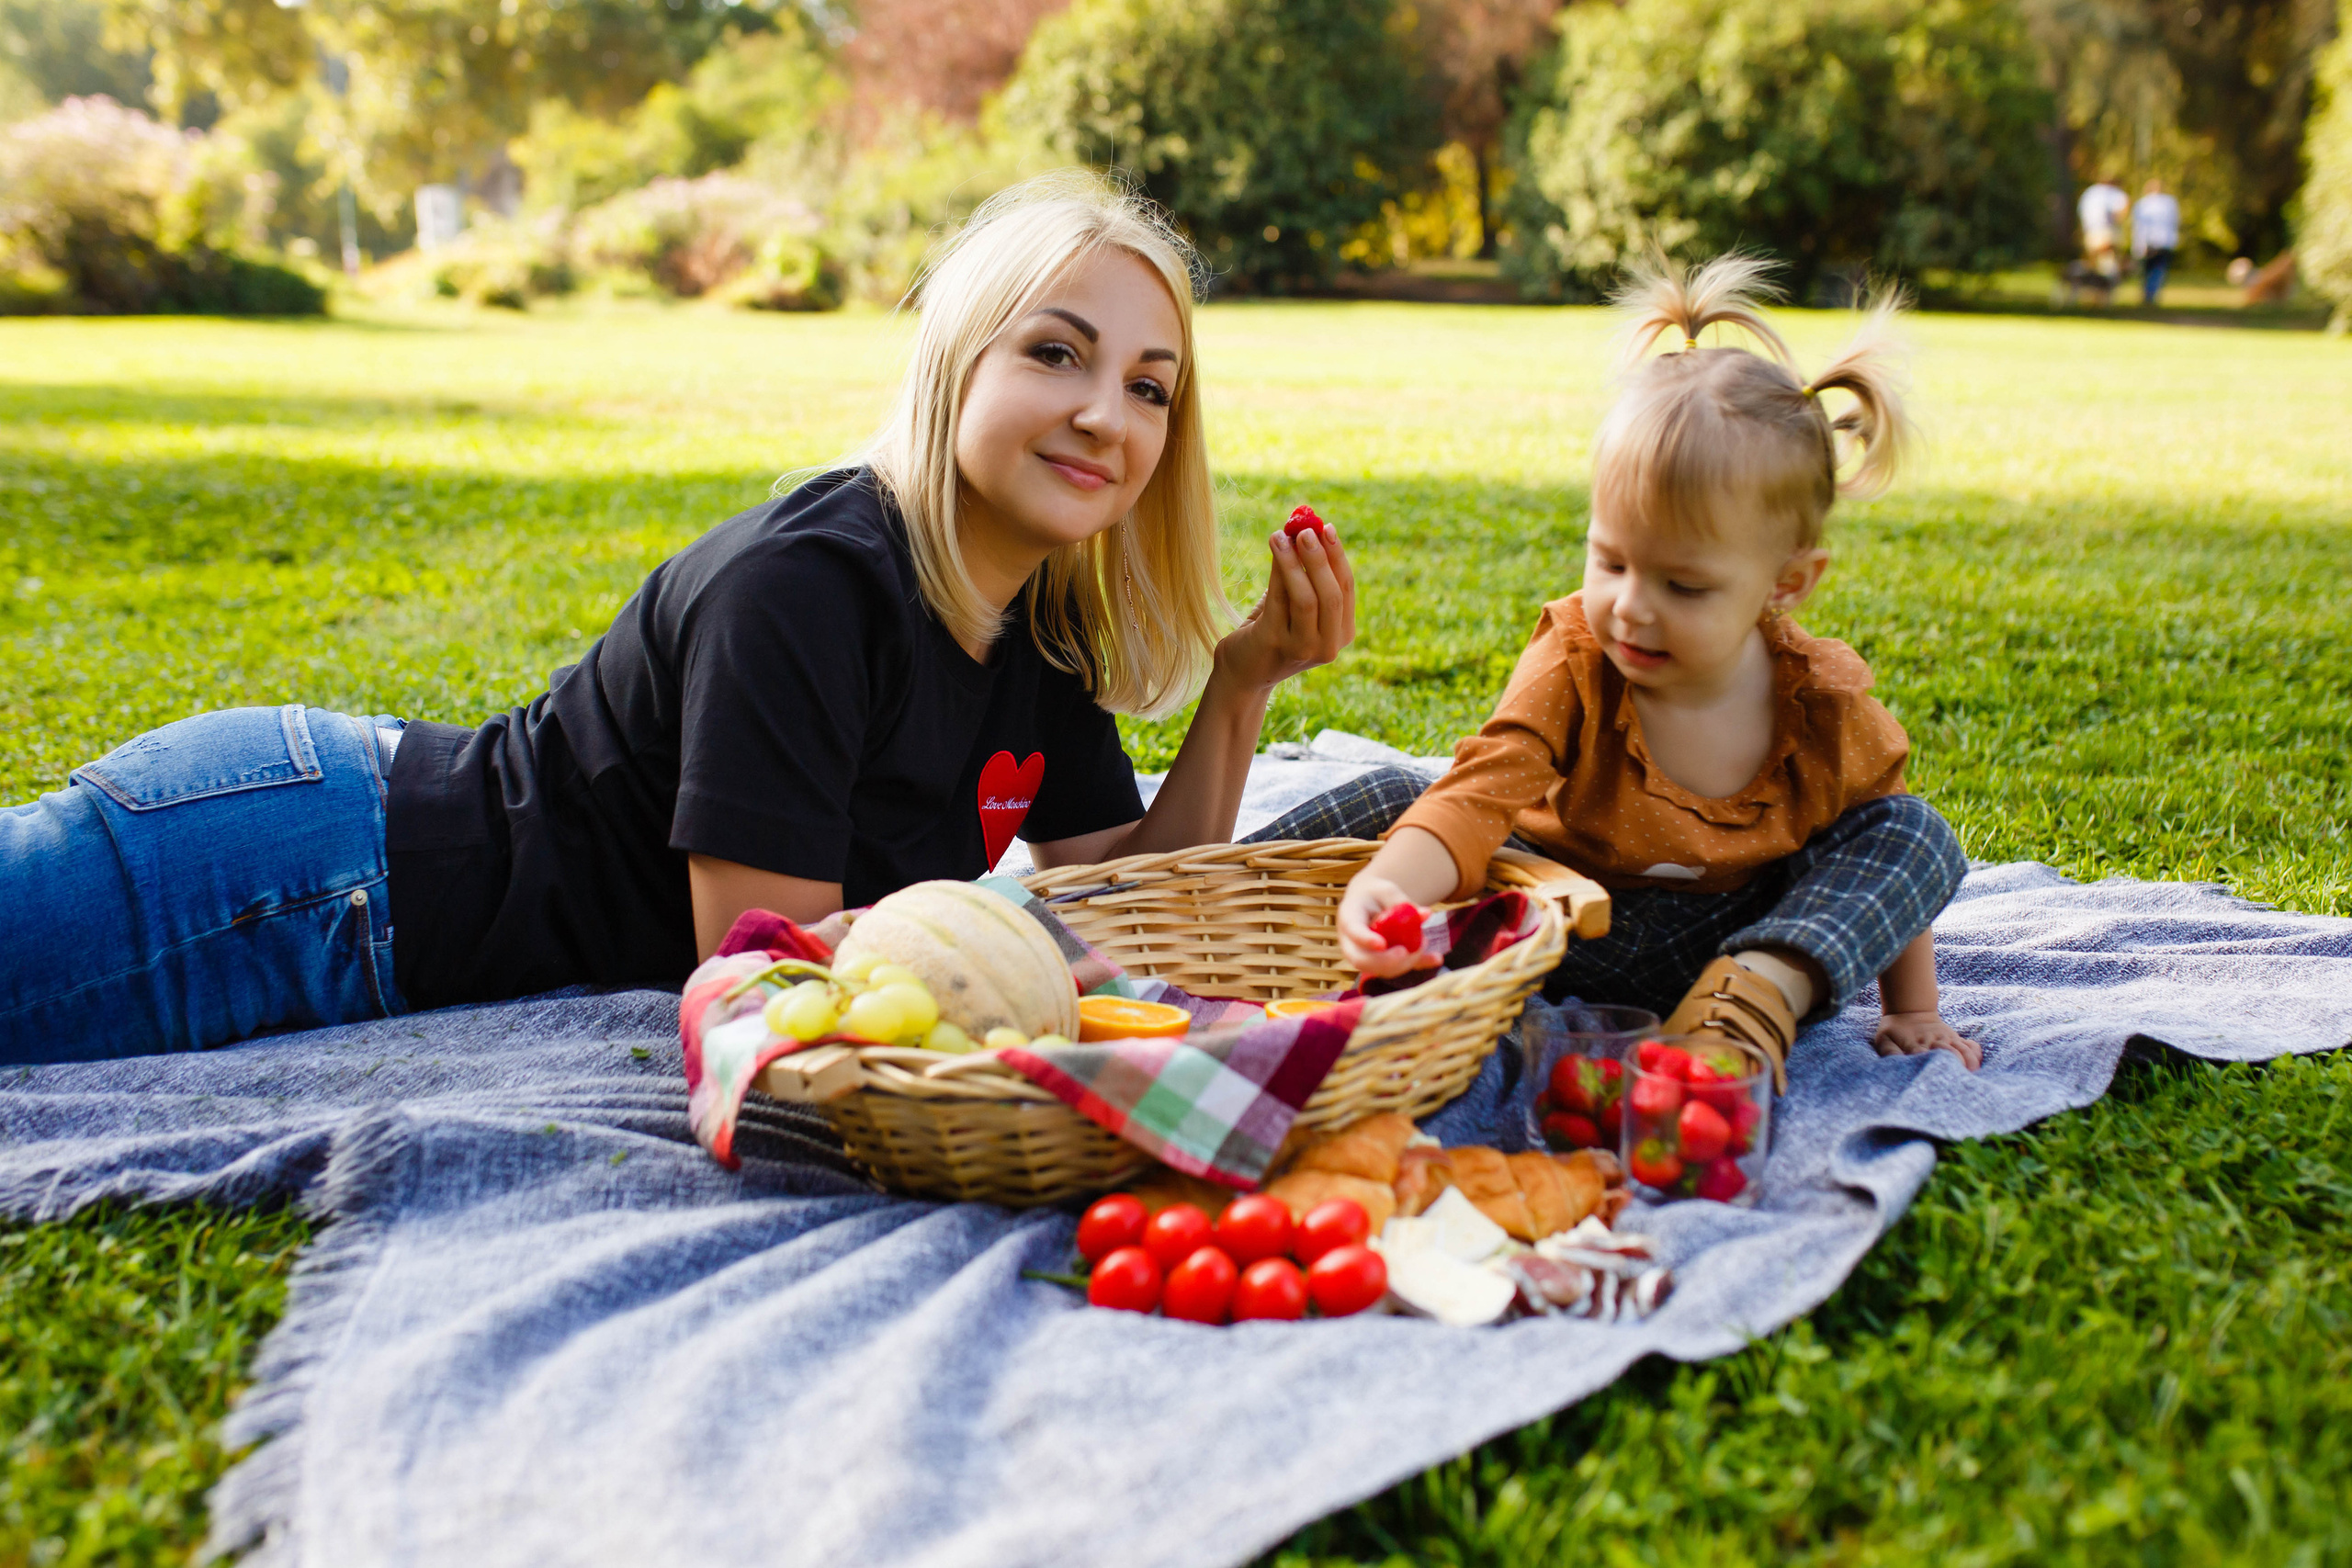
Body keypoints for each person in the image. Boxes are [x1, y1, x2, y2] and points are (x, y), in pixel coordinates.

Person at [0, 174, 1357, 1066]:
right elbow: (772, 967)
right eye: (1054, 351)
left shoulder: (1034, 626)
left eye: (1150, 386)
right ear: (957, 363)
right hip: (294, 872)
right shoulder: (812, 588)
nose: (1104, 414)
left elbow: (1122, 901)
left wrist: (1241, 686)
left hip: (340, 897)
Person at [1321, 257, 1980, 1082]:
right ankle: (1186, 906)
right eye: (1612, 562)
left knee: (1915, 832)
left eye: (1684, 584)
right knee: (1397, 797)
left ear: (1787, 583)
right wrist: (1392, 886)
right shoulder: (1578, 656)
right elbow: (1481, 789)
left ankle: (1744, 1006)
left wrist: (1913, 1009)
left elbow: (1887, 854)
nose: (1632, 607)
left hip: (1743, 945)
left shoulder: (1819, 700)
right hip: (1553, 921)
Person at [2078, 173, 2130, 299]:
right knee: (2108, 265)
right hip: (2107, 231)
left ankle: (2090, 295)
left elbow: (2082, 213)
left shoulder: (2089, 193)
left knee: (2092, 266)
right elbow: (2123, 209)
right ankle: (2105, 297)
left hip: (2090, 232)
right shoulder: (2113, 193)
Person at [2132, 177, 2181, 306]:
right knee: (2158, 270)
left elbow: (2139, 227)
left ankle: (2147, 295)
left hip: (2148, 242)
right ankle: (2151, 295)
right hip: (2165, 242)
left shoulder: (2143, 204)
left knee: (2148, 270)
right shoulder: (2170, 203)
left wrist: (2138, 245)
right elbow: (2175, 222)